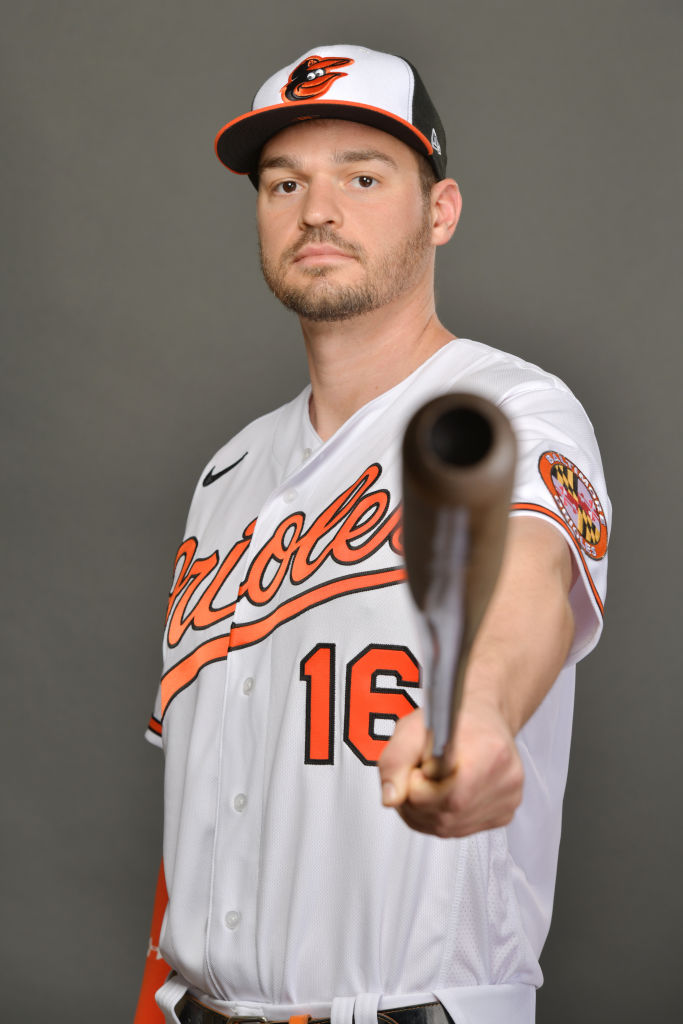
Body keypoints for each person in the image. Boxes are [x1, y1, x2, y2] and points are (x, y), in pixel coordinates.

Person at [135, 45, 610, 1024]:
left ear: (438, 210)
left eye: (361, 175)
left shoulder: (505, 405)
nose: (317, 209)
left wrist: (477, 715)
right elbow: (199, 793)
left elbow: (526, 582)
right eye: (283, 182)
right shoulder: (224, 474)